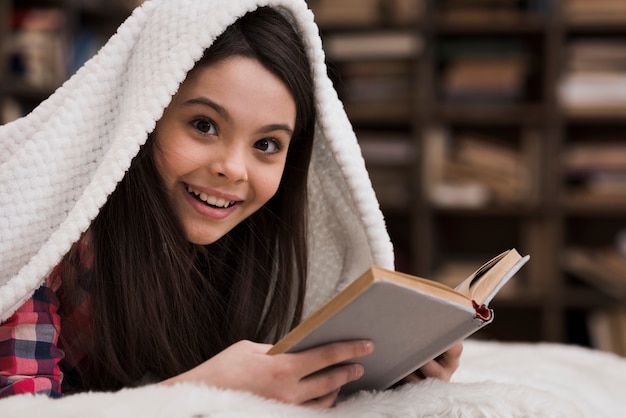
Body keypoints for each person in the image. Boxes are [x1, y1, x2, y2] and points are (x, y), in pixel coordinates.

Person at [0, 0, 462, 408]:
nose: (234, 170)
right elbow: (26, 409)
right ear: (144, 117)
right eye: (203, 125)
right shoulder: (39, 238)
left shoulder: (239, 244)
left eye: (267, 145)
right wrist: (205, 388)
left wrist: (381, 368)